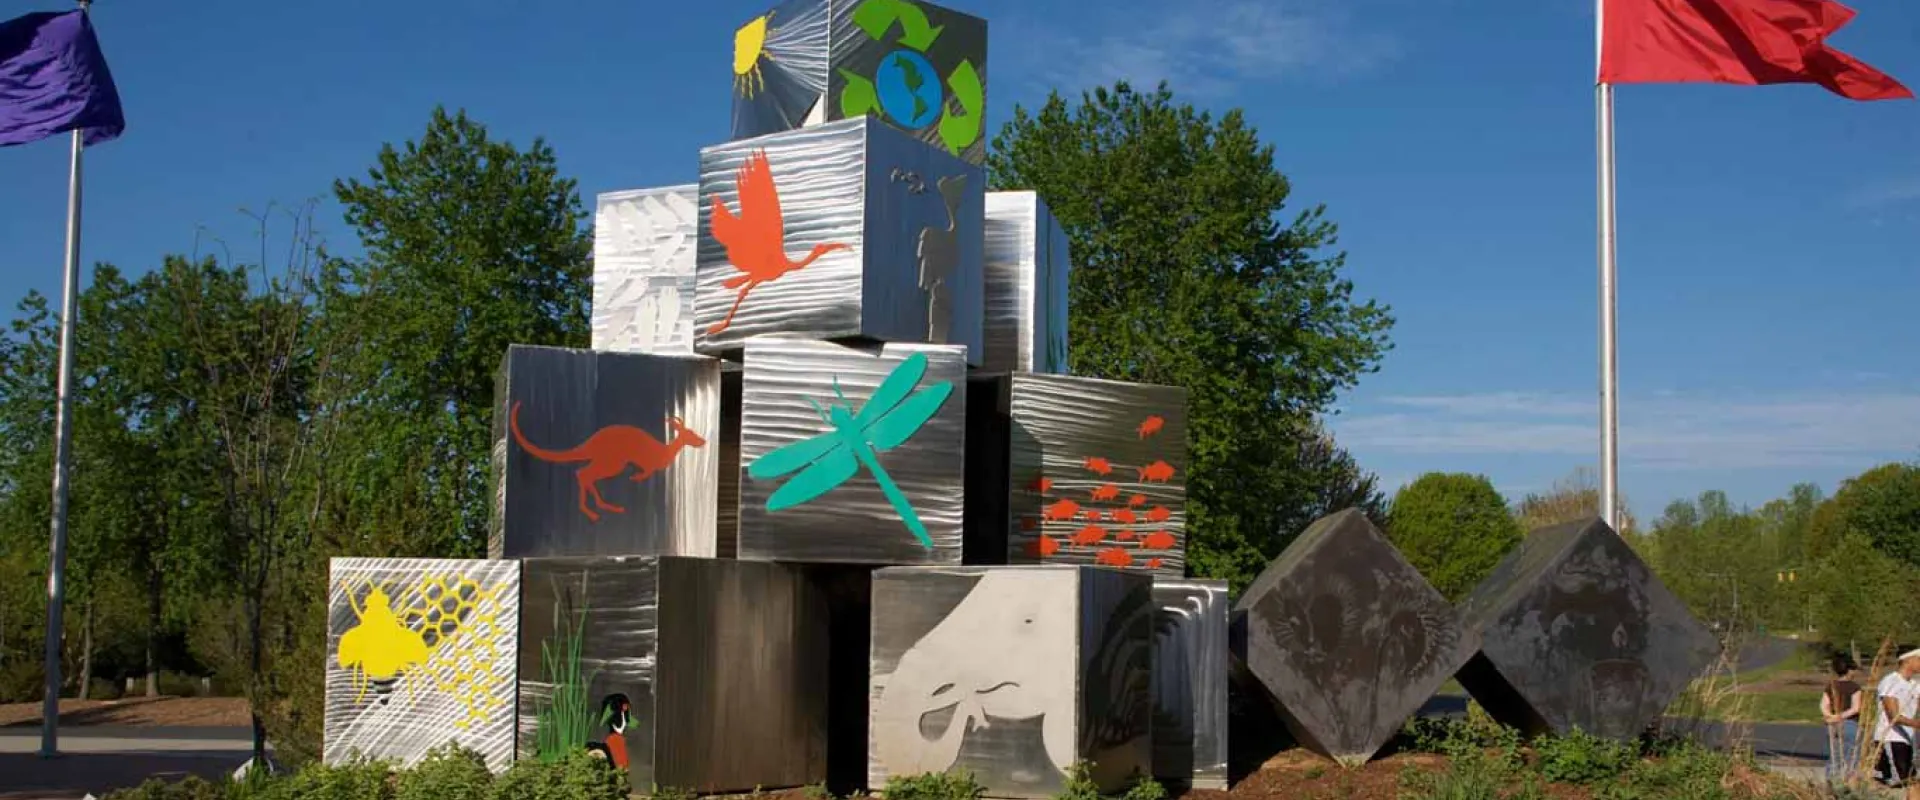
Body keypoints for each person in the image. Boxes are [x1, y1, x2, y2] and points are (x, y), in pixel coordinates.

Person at [1876, 649, 1920, 796]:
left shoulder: (1915, 684)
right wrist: (1917, 724)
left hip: (1908, 740)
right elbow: (1893, 716)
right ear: (1907, 660)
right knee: (1899, 782)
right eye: (1918, 659)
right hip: (1891, 738)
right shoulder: (1891, 681)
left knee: (1912, 782)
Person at [1824, 655, 1863, 784]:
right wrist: (1841, 716)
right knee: (1851, 755)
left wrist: (1830, 716)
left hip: (1832, 725)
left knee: (1834, 755)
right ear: (1850, 670)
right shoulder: (1854, 687)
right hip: (1850, 723)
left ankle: (1831, 781)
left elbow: (1823, 704)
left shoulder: (1831, 686)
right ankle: (1848, 783)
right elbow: (1855, 708)